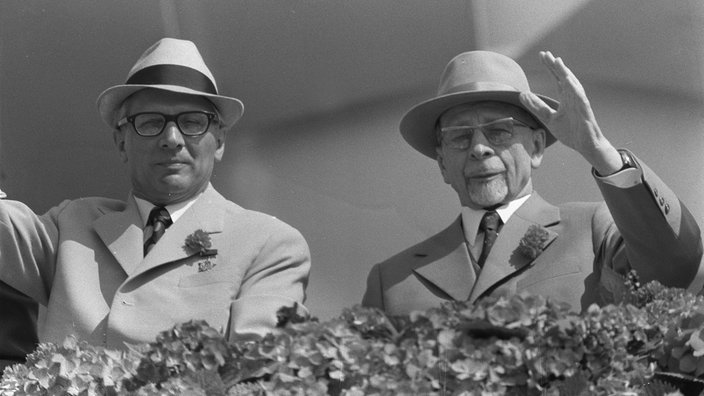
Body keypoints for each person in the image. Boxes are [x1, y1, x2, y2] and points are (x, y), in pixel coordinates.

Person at [0, 38, 311, 350]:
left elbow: (261, 370)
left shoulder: (269, 243)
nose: (172, 139)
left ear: (219, 141)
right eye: (150, 123)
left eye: (192, 122)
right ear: (121, 142)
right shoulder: (72, 225)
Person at [362, 50, 702, 315]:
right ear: (442, 164)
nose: (479, 148)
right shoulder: (392, 281)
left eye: (498, 130)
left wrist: (598, 149)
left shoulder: (594, 231)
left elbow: (674, 265)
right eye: (460, 137)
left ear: (537, 146)